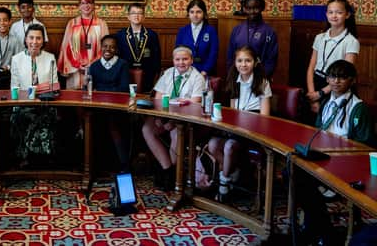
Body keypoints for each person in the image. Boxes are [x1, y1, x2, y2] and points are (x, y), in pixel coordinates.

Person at [297, 60, 373, 245]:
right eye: (332, 76)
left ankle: (317, 229)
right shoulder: (326, 102)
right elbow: (317, 131)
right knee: (293, 172)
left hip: (345, 163)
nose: (336, 81)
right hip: (323, 158)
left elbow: (364, 144)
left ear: (352, 81)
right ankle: (322, 229)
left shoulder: (358, 108)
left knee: (306, 182)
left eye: (341, 77)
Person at [204, 46, 271, 201]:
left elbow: (265, 117)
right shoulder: (234, 81)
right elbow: (233, 112)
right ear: (235, 63)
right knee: (213, 144)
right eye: (240, 61)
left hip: (253, 130)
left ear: (255, 63)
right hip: (236, 128)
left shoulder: (262, 82)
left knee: (229, 146)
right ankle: (234, 172)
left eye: (248, 60)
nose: (243, 64)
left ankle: (224, 183)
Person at [142, 46, 204, 190]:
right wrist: (159, 118)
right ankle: (168, 169)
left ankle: (175, 175)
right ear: (173, 60)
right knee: (147, 129)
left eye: (185, 59)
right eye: (177, 59)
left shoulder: (197, 77)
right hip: (165, 116)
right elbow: (157, 99)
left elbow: (195, 103)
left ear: (191, 60)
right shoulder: (168, 73)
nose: (181, 62)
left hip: (185, 120)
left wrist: (172, 122)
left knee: (176, 134)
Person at [10, 25, 60, 164]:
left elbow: (54, 85)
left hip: (45, 102)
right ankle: (24, 157)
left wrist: (37, 90)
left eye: (38, 38)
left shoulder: (50, 58)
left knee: (47, 115)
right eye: (31, 37)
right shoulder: (16, 59)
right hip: (23, 103)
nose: (34, 41)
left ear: (43, 41)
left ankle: (46, 157)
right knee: (22, 116)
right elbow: (15, 87)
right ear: (26, 39)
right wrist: (36, 90)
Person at [306, 0, 359, 116]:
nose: (334, 16)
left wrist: (320, 94)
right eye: (330, 12)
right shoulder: (319, 37)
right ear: (326, 14)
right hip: (316, 84)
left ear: (347, 15)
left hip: (336, 86)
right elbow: (311, 68)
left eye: (339, 12)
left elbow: (346, 73)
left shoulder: (351, 41)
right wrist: (312, 94)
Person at [88, 35, 130, 170]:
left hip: (117, 107)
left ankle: (122, 164)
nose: (108, 49)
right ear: (101, 48)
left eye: (112, 47)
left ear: (116, 49)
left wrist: (100, 91)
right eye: (105, 46)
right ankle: (95, 164)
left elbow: (123, 88)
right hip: (98, 107)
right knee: (91, 124)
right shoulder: (94, 66)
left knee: (113, 124)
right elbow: (89, 88)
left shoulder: (122, 65)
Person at [57, 0, 109, 89]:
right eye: (83, 3)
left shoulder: (101, 23)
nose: (86, 6)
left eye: (89, 3)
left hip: (96, 67)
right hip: (75, 68)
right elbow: (66, 46)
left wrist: (92, 64)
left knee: (94, 95)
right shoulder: (72, 23)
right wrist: (77, 64)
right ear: (79, 6)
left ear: (94, 5)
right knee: (75, 98)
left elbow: (106, 47)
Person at [226, 0, 278, 78]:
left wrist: (261, 78)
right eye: (249, 8)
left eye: (256, 8)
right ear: (245, 9)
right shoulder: (237, 30)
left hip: (260, 78)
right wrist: (232, 76)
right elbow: (230, 56)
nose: (252, 12)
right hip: (238, 77)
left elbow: (271, 60)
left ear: (262, 8)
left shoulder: (269, 32)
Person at [115, 3, 161, 93]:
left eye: (140, 13)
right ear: (128, 16)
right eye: (133, 13)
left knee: (144, 100)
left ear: (144, 17)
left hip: (147, 73)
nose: (136, 16)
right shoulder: (120, 35)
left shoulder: (151, 35)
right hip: (126, 73)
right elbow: (118, 56)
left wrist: (155, 74)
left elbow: (156, 57)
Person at [175, 0, 219, 76]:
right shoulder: (182, 31)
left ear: (204, 13)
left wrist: (205, 71)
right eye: (192, 12)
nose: (195, 15)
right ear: (188, 14)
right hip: (186, 71)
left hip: (205, 72)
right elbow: (178, 53)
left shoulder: (211, 31)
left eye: (198, 12)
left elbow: (213, 54)